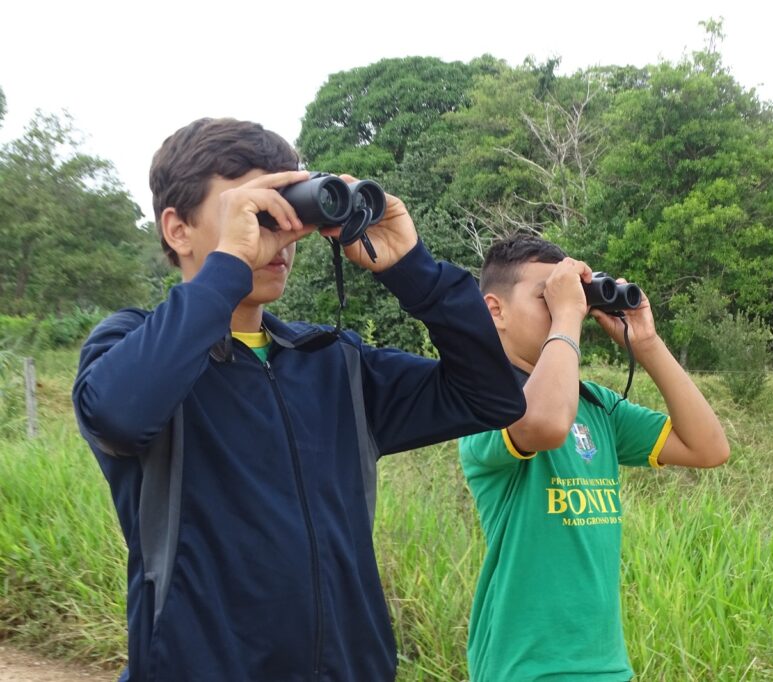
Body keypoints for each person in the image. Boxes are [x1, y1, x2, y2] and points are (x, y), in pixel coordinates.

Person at [71, 117, 526, 681]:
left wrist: (417, 273)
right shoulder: (131, 346)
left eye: (291, 209)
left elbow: (492, 395)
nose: (280, 235)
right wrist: (228, 270)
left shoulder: (333, 363)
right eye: (255, 211)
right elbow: (118, 415)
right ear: (178, 230)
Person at [458, 235, 730, 681]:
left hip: (606, 668)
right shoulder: (483, 403)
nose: (567, 306)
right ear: (495, 310)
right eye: (545, 295)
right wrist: (566, 315)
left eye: (570, 296)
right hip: (524, 668)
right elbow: (545, 423)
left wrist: (646, 343)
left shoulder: (597, 406)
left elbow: (709, 448)